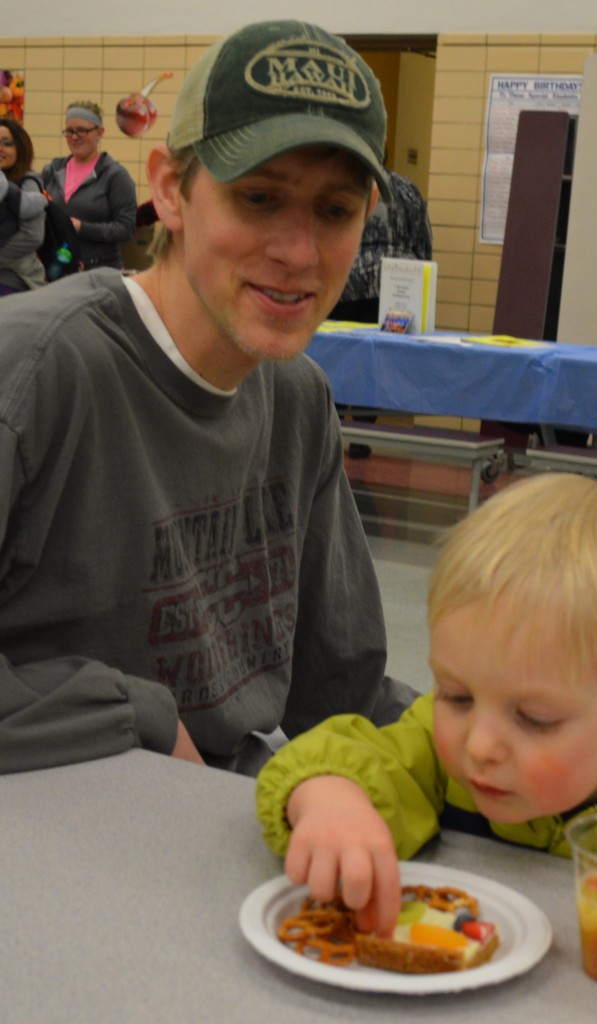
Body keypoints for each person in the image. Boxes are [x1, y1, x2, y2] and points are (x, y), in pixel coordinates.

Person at [0, 20, 416, 777]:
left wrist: (513, 743)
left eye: (335, 211)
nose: (298, 253)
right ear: (168, 190)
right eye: (258, 198)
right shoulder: (34, 373)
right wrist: (131, 715)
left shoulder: (296, 399)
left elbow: (343, 693)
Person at [257, 472, 597, 933]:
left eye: (535, 719)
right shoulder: (439, 751)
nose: (480, 744)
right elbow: (350, 755)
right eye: (456, 695)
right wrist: (331, 799)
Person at [331, 169, 433, 457]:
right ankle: (364, 433)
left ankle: (331, 430)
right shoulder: (407, 188)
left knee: (338, 356)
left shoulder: (351, 181)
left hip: (350, 283)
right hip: (397, 288)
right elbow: (423, 239)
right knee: (376, 364)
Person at [329, 168, 433, 325]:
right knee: (394, 346)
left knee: (343, 345)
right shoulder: (407, 188)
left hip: (351, 283)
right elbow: (423, 245)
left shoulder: (345, 184)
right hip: (401, 286)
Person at [41, 100, 137, 270]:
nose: (74, 137)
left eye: (82, 131)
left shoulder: (114, 175)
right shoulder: (53, 170)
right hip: (59, 270)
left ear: (99, 132)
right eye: (69, 131)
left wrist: (83, 228)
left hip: (100, 270)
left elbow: (126, 228)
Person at [0, 118, 46, 296]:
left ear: (21, 149)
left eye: (7, 143)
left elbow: (33, 236)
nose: (1, 149)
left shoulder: (28, 184)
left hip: (16, 278)